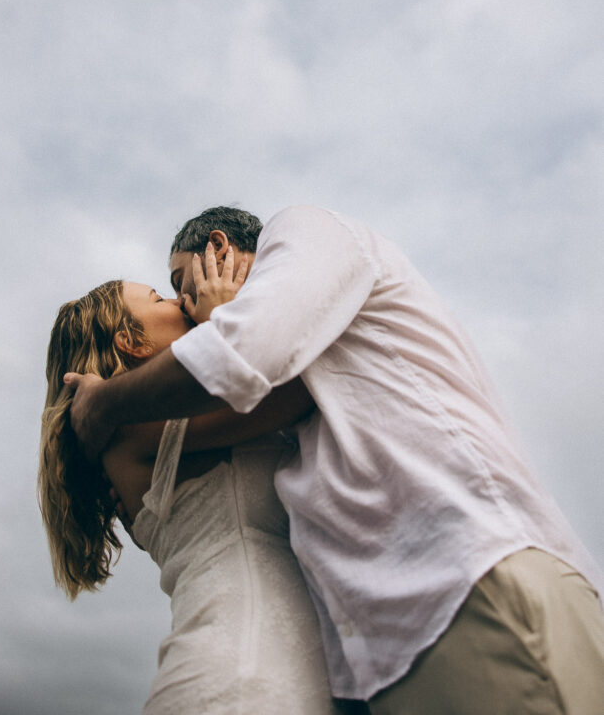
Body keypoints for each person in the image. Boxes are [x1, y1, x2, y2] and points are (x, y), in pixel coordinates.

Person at [65, 205, 604, 714]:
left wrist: (105, 399)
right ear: (128, 342)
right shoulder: (163, 424)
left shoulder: (303, 232)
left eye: (179, 284)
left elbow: (248, 363)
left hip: (464, 577)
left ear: (220, 249)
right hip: (365, 648)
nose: (183, 303)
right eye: (170, 296)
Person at [38, 275, 343, 714]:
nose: (180, 300)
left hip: (277, 673)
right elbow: (300, 387)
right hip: (240, 679)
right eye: (159, 298)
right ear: (131, 340)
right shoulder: (133, 428)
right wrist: (223, 316)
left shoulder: (136, 430)